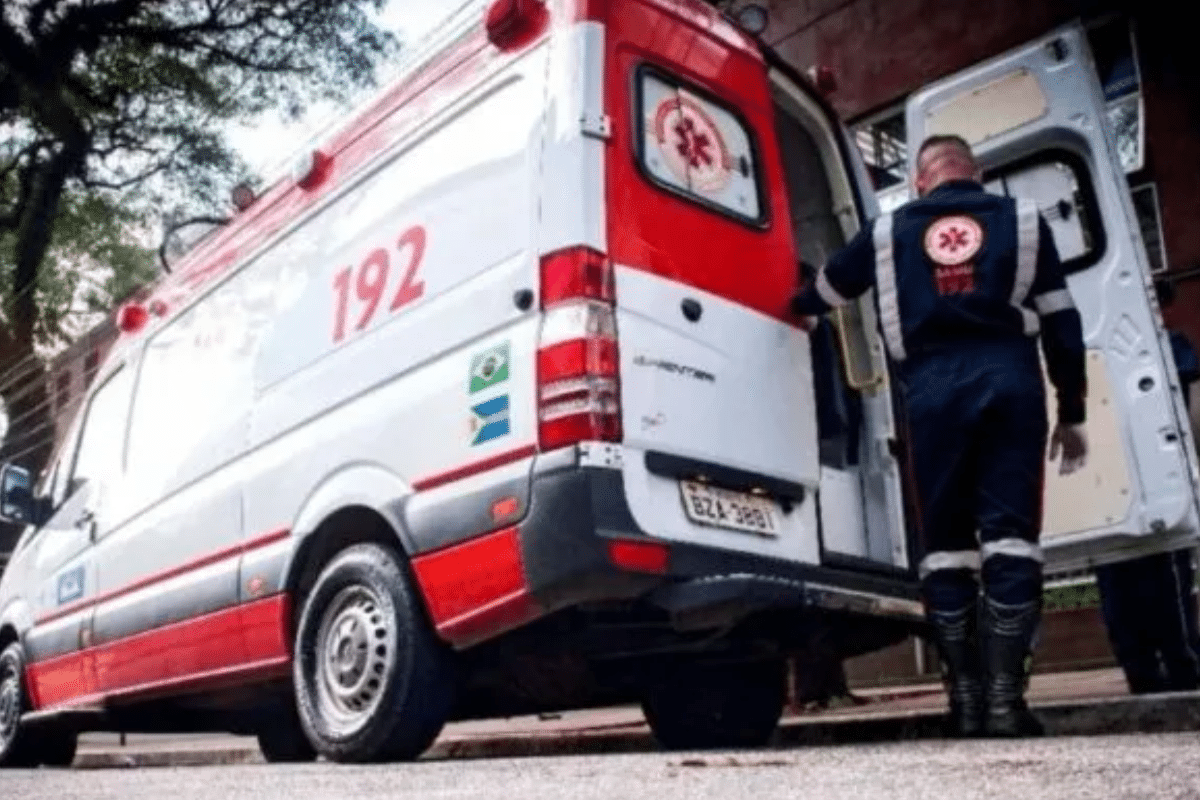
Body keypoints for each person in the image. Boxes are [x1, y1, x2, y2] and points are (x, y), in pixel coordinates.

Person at [789, 134, 1089, 738]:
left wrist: (794, 308)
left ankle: (967, 703)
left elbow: (824, 291)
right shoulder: (1023, 218)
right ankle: (1006, 705)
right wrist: (1073, 408)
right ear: (972, 175)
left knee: (945, 546)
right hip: (1011, 383)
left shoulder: (885, 232)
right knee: (1011, 541)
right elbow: (1061, 316)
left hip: (930, 393)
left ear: (921, 181)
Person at [1094, 278, 1200, 694]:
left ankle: (1157, 665)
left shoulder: (1164, 345)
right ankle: (1172, 663)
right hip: (1143, 472)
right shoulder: (1163, 346)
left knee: (1135, 571)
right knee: (1149, 572)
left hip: (1128, 474)